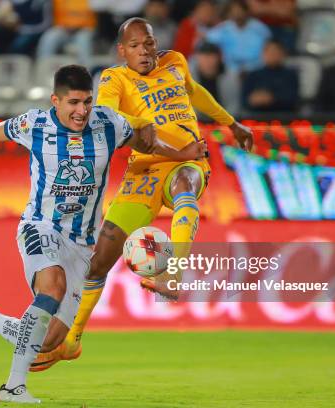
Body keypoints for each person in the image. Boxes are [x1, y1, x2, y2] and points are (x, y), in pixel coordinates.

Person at [0, 65, 206, 403]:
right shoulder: (35, 124)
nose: (81, 111)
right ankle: (13, 387)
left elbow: (145, 140)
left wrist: (181, 154)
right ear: (55, 100)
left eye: (86, 102)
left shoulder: (108, 123)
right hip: (40, 226)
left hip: (84, 244)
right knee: (52, 286)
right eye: (73, 103)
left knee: (49, 341)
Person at [31, 17, 253, 372]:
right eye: (135, 46)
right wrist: (139, 124)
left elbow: (194, 91)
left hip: (189, 159)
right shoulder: (116, 79)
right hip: (144, 170)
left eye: (148, 43)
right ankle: (71, 340)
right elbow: (106, 114)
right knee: (98, 262)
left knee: (186, 190)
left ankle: (173, 273)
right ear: (123, 51)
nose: (145, 51)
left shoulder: (176, 62)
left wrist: (230, 122)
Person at [206, 0, 271, 73]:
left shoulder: (259, 28)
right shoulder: (224, 28)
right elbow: (208, 40)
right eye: (233, 11)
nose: (237, 14)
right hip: (230, 70)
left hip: (256, 68)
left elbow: (268, 48)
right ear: (229, 13)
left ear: (246, 11)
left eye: (239, 10)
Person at [242, 39, 298, 112]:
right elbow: (244, 100)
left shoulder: (290, 75)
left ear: (283, 54)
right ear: (263, 54)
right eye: (269, 52)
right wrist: (253, 99)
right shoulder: (253, 75)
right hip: (256, 117)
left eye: (275, 52)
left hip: (283, 117)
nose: (272, 55)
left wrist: (272, 98)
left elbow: (293, 100)